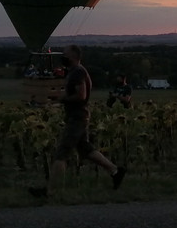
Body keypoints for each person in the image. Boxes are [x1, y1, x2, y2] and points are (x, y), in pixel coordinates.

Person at [29, 44, 125, 198]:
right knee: (85, 150)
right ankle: (115, 171)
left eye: (65, 54)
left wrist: (61, 98)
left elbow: (81, 95)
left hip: (77, 117)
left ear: (73, 56)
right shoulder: (76, 71)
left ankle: (49, 191)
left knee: (62, 153)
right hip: (79, 115)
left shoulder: (78, 72)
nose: (62, 57)